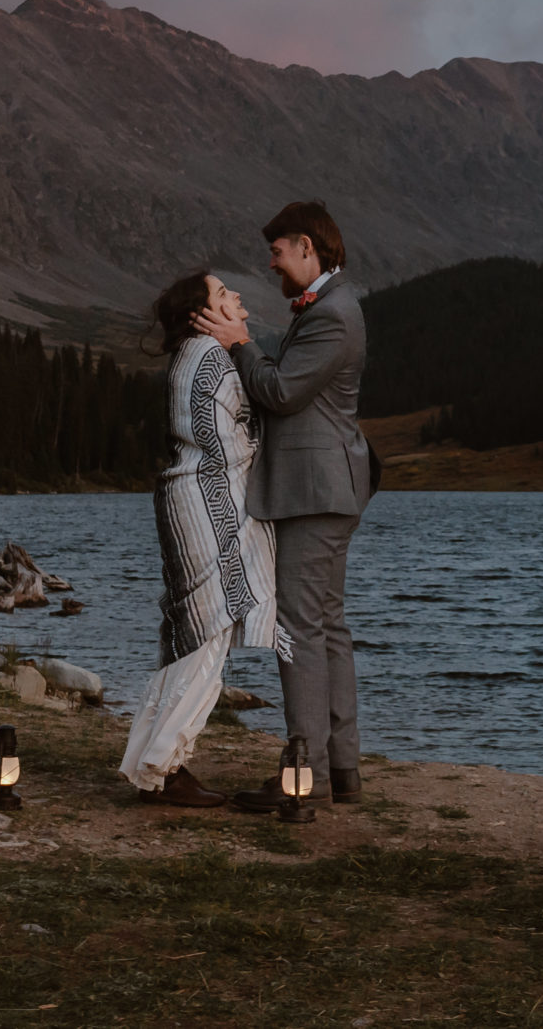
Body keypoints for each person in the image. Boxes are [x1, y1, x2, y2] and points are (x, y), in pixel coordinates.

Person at [191, 198, 370, 809]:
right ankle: (339, 771)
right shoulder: (330, 306)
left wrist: (240, 343)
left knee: (298, 627)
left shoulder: (334, 314)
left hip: (314, 492)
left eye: (276, 250)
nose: (269, 263)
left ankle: (307, 776)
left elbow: (282, 391)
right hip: (326, 488)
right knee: (328, 624)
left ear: (306, 247)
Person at [118, 269, 285, 807]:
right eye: (222, 293)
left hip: (194, 502)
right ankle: (163, 768)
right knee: (205, 634)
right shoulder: (208, 357)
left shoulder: (196, 356)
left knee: (196, 632)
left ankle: (157, 765)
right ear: (203, 314)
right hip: (205, 504)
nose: (236, 296)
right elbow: (220, 440)